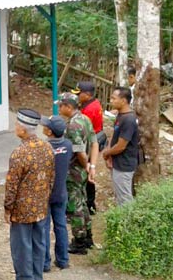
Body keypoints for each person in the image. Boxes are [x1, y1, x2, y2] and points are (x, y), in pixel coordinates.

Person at [4, 109, 55, 280]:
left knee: (22, 248)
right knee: (39, 244)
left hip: (22, 212)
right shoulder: (48, 147)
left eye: (17, 124)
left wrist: (8, 209)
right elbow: (51, 178)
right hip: (41, 207)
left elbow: (12, 185)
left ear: (23, 129)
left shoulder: (20, 153)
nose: (15, 127)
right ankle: (37, 275)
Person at [56, 93, 96, 254]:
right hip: (82, 170)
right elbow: (94, 143)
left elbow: (80, 152)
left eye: (61, 106)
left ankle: (79, 240)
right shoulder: (85, 119)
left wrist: (86, 164)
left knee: (75, 206)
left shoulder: (72, 126)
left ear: (69, 107)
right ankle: (87, 237)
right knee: (83, 202)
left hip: (74, 171)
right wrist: (91, 166)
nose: (59, 109)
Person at [39, 115, 73, 271]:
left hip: (45, 195)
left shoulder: (43, 148)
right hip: (61, 192)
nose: (43, 128)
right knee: (61, 226)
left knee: (44, 228)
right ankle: (63, 260)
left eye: (46, 126)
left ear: (50, 132)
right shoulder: (67, 145)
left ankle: (45, 264)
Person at [102, 87, 139, 206]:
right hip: (118, 161)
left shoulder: (129, 120)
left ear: (123, 101)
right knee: (120, 196)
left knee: (125, 198)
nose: (111, 100)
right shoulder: (120, 115)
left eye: (114, 98)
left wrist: (107, 153)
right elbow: (115, 135)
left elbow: (121, 146)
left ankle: (129, 222)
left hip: (124, 164)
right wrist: (109, 154)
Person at [73, 81, 103, 214]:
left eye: (79, 94)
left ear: (87, 94)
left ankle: (89, 203)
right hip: (94, 138)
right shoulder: (93, 104)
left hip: (90, 142)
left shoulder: (90, 110)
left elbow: (83, 128)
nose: (78, 96)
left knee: (87, 169)